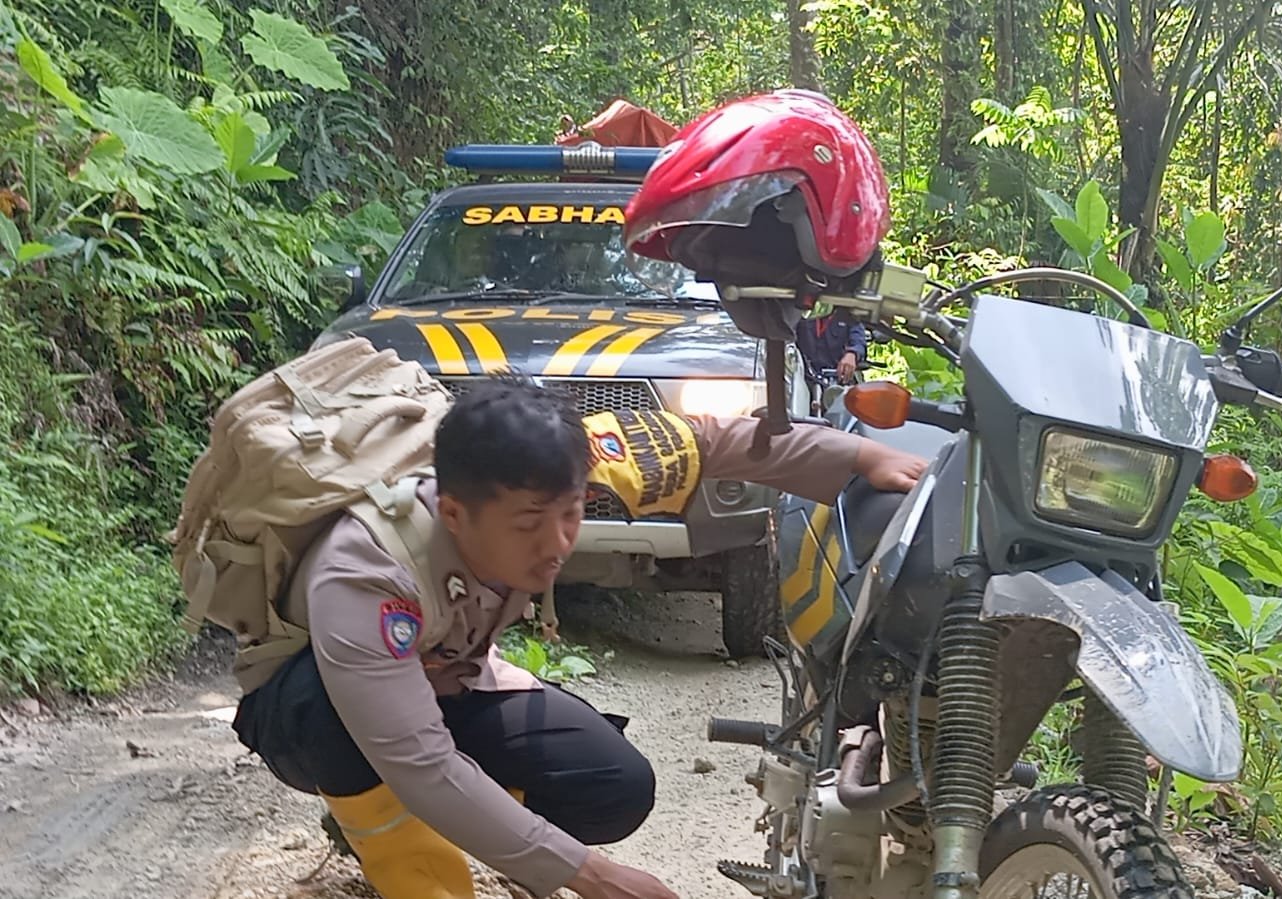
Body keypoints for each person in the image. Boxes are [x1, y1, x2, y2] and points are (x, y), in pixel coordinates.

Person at [230, 379, 928, 899]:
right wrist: (589, 875)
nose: (557, 542)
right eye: (530, 523)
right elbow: (419, 760)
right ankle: (401, 859)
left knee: (613, 785)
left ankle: (477, 830)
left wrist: (860, 455)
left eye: (570, 512)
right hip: (313, 710)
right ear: (452, 511)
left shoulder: (562, 460)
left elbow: (712, 439)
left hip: (450, 677)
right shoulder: (366, 575)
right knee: (337, 722)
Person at [794, 311, 868, 384]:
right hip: (804, 378)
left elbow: (859, 343)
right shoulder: (801, 314)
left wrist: (852, 354)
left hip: (838, 379)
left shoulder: (849, 317)